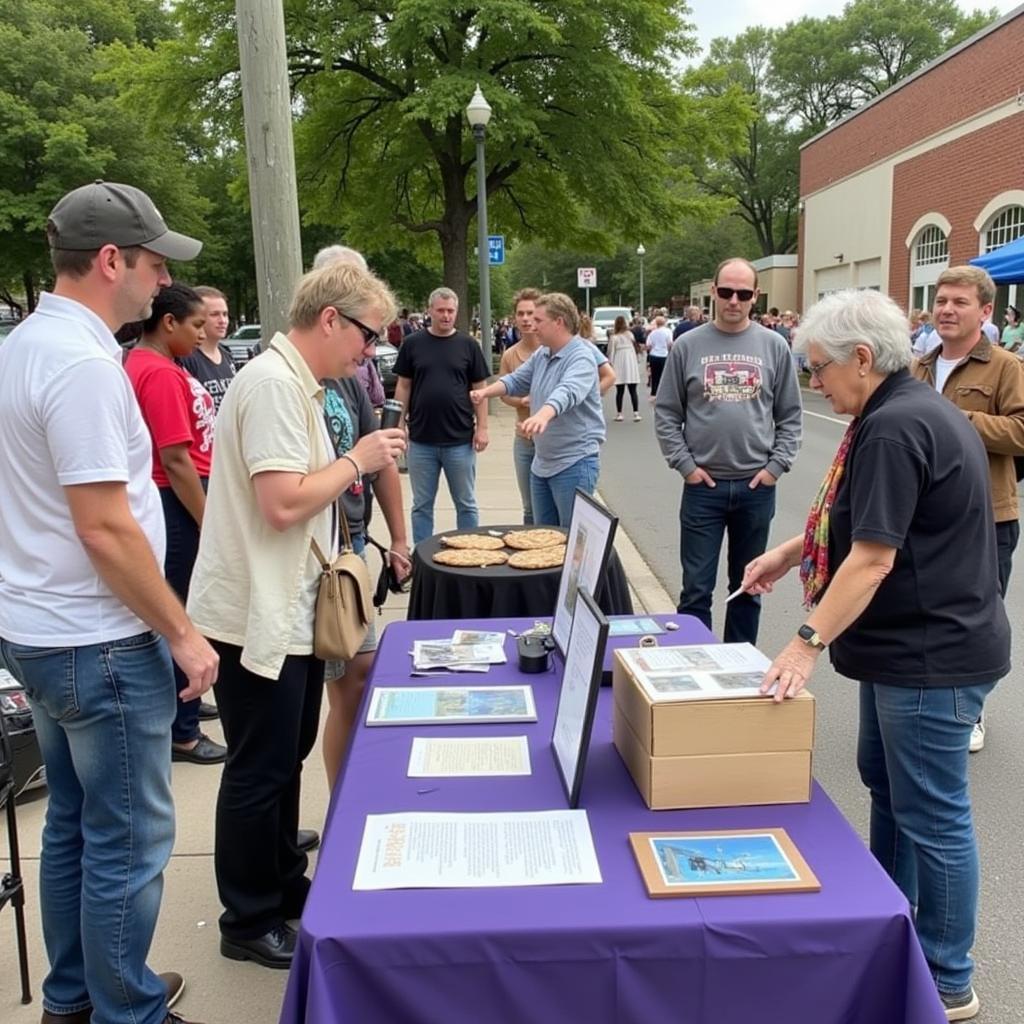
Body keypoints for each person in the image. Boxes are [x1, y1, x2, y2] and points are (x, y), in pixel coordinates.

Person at [743, 288, 1007, 1024]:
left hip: (930, 652)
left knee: (932, 813)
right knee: (890, 789)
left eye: (818, 368)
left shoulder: (894, 426)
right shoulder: (898, 410)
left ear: (863, 358)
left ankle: (948, 976)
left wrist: (804, 645)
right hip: (909, 648)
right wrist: (791, 551)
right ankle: (891, 923)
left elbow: (871, 559)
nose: (814, 382)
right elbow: (865, 518)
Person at [0, 180, 216, 1024]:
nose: (164, 282)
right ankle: (127, 1009)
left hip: (39, 630)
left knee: (74, 828)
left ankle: (75, 996)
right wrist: (184, 632)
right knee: (127, 843)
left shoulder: (23, 346)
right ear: (111, 260)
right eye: (156, 263)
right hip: (99, 638)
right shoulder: (84, 364)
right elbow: (106, 528)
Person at [187, 261, 406, 969]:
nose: (369, 351)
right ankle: (247, 917)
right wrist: (357, 458)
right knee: (260, 768)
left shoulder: (292, 381)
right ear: (332, 318)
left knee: (284, 760)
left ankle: (280, 885)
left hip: (283, 606)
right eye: (368, 335)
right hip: (256, 612)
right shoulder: (278, 386)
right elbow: (283, 501)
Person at [654, 257, 802, 644]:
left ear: (755, 296)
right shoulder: (687, 346)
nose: (733, 300)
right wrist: (685, 466)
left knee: (748, 586)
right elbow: (667, 413)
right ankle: (694, 666)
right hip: (703, 488)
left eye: (743, 293)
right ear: (713, 294)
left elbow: (790, 416)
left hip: (756, 488)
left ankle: (740, 668)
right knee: (696, 591)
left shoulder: (774, 347)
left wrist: (775, 468)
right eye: (725, 292)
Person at [911, 265, 1024, 754]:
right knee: (919, 612)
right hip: (918, 516)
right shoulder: (916, 367)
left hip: (985, 517)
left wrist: (957, 419)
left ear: (985, 311)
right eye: (941, 301)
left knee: (975, 619)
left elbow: (1020, 432)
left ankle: (970, 711)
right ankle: (922, 701)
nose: (947, 310)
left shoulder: (1006, 367)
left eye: (959, 302)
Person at [125, 284, 227, 766]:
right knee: (184, 613)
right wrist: (207, 519)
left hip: (177, 497)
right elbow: (175, 457)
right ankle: (183, 732)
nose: (201, 333)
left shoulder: (155, 366)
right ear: (169, 324)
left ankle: (186, 708)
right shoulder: (159, 373)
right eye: (194, 325)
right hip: (178, 501)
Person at [470, 292, 604, 526]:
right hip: (542, 464)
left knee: (570, 540)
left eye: (539, 320)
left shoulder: (581, 356)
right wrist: (484, 393)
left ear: (559, 322)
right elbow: (515, 380)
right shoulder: (543, 353)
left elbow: (568, 391)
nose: (532, 325)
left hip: (573, 463)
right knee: (543, 537)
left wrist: (543, 414)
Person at [394, 287, 490, 545]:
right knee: (421, 505)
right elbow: (404, 385)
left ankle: (470, 551)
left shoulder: (468, 345)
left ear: (456, 312)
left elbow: (480, 389)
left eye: (450, 311)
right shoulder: (412, 344)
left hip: (460, 440)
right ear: (430, 311)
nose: (446, 316)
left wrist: (483, 427)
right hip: (422, 441)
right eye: (441, 310)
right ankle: (422, 558)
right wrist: (399, 425)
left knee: (466, 504)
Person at [499, 288, 544, 524]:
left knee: (550, 506)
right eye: (521, 314)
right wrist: (521, 401)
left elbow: (605, 376)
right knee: (529, 508)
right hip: (524, 439)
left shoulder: (554, 349)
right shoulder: (510, 355)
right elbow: (503, 392)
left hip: (553, 439)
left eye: (531, 313)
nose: (526, 319)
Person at [179, 285, 237, 413]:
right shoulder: (186, 358)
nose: (222, 321)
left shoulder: (227, 355)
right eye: (214, 314)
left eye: (225, 314)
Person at [608, 314, 641, 421]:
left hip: (619, 362)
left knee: (620, 391)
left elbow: (611, 352)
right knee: (633, 390)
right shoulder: (630, 335)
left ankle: (619, 413)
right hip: (630, 362)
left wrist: (611, 365)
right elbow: (634, 349)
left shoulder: (614, 338)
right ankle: (636, 413)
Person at [645, 314, 673, 399]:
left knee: (654, 375)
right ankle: (663, 393)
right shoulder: (668, 331)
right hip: (663, 355)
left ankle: (654, 392)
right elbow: (670, 343)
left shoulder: (653, 333)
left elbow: (648, 345)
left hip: (654, 355)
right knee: (663, 375)